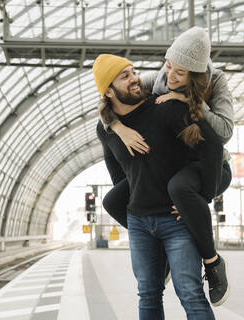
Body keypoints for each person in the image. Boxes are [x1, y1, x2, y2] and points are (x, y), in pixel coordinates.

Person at [100, 27, 233, 306]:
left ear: (195, 76)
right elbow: (112, 94)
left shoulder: (217, 81)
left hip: (212, 166)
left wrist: (189, 100)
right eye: (168, 66)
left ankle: (212, 262)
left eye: (179, 73)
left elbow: (222, 134)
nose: (169, 77)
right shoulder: (159, 76)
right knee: (114, 200)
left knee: (179, 189)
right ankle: (161, 244)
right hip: (182, 167)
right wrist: (118, 127)